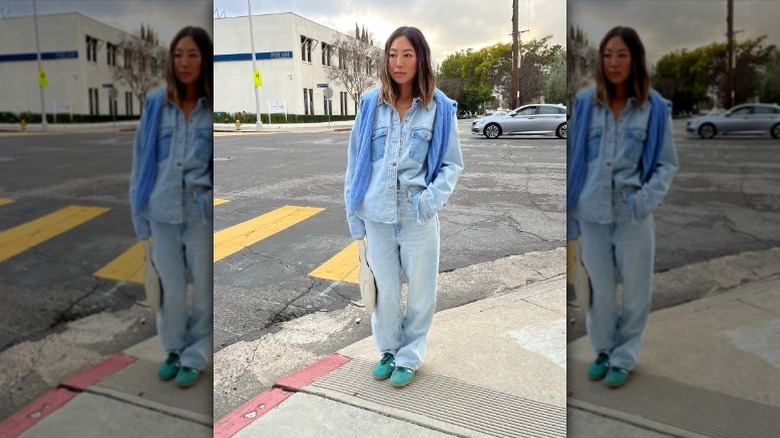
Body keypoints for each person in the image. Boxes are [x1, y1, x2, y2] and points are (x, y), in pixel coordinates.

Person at [344, 26, 464, 388]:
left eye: (407, 54)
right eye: (392, 54)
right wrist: (354, 217)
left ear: (420, 59)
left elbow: (451, 164)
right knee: (385, 292)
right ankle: (388, 350)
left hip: (417, 213)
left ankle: (410, 356)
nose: (398, 62)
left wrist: (429, 201)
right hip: (375, 212)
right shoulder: (370, 105)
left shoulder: (439, 108)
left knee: (421, 291)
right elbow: (355, 163)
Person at [567, 26, 678, 388]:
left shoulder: (654, 107)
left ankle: (625, 355)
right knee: (598, 288)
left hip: (632, 213)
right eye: (607, 55)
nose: (613, 62)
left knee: (634, 290)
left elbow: (666, 164)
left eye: (622, 55)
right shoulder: (585, 104)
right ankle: (603, 349)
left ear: (635, 59)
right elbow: (573, 158)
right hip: (591, 211)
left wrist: (643, 201)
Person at [129, 26, 213, 388]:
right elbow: (141, 160)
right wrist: (139, 216)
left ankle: (195, 355)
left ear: (204, 59)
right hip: (160, 210)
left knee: (205, 290)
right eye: (178, 54)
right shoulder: (155, 105)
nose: (184, 62)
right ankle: (174, 350)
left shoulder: (212, 107)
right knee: (171, 290)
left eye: (192, 54)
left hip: (200, 214)